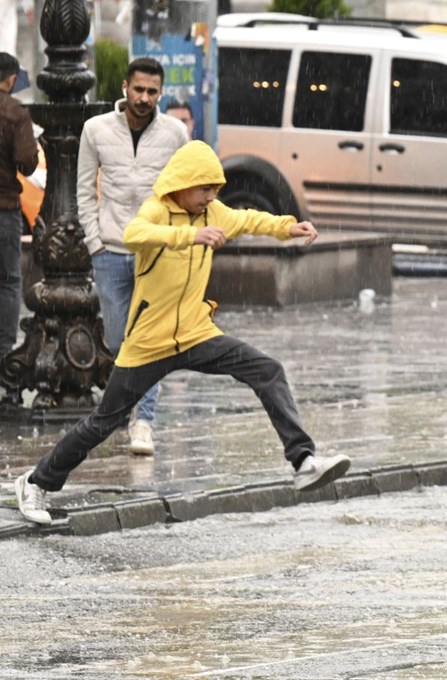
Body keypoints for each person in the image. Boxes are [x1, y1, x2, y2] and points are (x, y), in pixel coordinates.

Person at [13, 140, 352, 525]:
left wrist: (288, 227)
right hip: (149, 343)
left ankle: (303, 461)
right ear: (183, 183)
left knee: (267, 369)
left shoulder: (213, 212)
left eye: (216, 189)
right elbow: (136, 233)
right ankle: (37, 483)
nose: (211, 197)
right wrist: (190, 237)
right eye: (205, 188)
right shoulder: (157, 209)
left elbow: (249, 219)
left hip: (195, 333)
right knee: (104, 422)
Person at [78, 57, 189, 455]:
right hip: (110, 250)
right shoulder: (96, 129)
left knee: (149, 338)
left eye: (152, 92)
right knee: (116, 338)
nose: (144, 98)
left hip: (155, 252)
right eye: (138, 89)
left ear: (161, 93)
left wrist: (176, 240)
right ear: (125, 87)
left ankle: (143, 421)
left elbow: (185, 192)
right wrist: (95, 242)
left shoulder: (175, 133)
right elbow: (85, 191)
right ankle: (126, 408)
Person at [0, 51, 37, 403]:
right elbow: (27, 163)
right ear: (11, 79)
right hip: (4, 211)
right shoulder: (14, 112)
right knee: (9, 283)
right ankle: (4, 357)